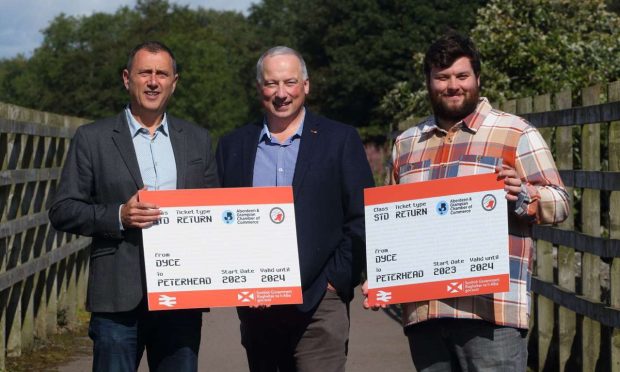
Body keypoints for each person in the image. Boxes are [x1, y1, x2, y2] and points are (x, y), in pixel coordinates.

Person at [362, 32, 569, 371]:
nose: (452, 85)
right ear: (429, 82)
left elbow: (559, 203)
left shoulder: (515, 133)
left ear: (477, 78)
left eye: (461, 76)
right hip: (425, 313)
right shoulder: (407, 143)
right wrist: (384, 277)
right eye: (442, 77)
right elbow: (396, 227)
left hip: (491, 314)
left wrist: (524, 195)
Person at [49, 41, 219, 372]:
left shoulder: (198, 139)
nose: (153, 81)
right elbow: (63, 209)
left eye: (162, 74)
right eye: (145, 73)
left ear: (174, 82)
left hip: (181, 299)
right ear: (128, 79)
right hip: (117, 298)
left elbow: (213, 211)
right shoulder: (92, 138)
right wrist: (118, 216)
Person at [216, 46, 374, 372]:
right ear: (259, 87)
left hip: (320, 302)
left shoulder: (339, 139)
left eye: (290, 82)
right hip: (257, 307)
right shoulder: (233, 146)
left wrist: (336, 280)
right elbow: (219, 219)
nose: (281, 93)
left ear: (306, 85)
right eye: (272, 83)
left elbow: (361, 216)